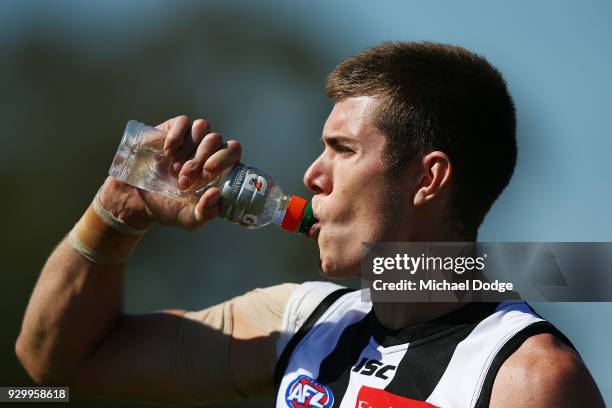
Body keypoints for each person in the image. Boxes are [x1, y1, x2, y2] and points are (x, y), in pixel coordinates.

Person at [16, 42, 604, 407]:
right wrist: (116, 214)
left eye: (342, 150)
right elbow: (55, 361)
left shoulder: (528, 380)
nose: (311, 173)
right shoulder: (303, 321)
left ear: (428, 179)